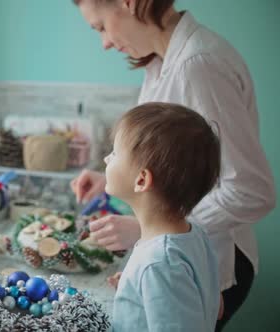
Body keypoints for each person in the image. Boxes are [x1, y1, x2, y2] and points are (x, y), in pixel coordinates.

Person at [70, 0, 276, 330]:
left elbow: (251, 191)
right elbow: (165, 160)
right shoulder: (160, 63)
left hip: (214, 259)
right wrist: (111, 174)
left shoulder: (199, 66)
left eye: (101, 26)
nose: (105, 43)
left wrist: (150, 228)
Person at [104, 102, 221, 331]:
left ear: (141, 180)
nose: (107, 159)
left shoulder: (158, 263)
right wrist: (138, 290)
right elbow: (214, 306)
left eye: (115, 153)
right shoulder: (195, 234)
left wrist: (151, 279)